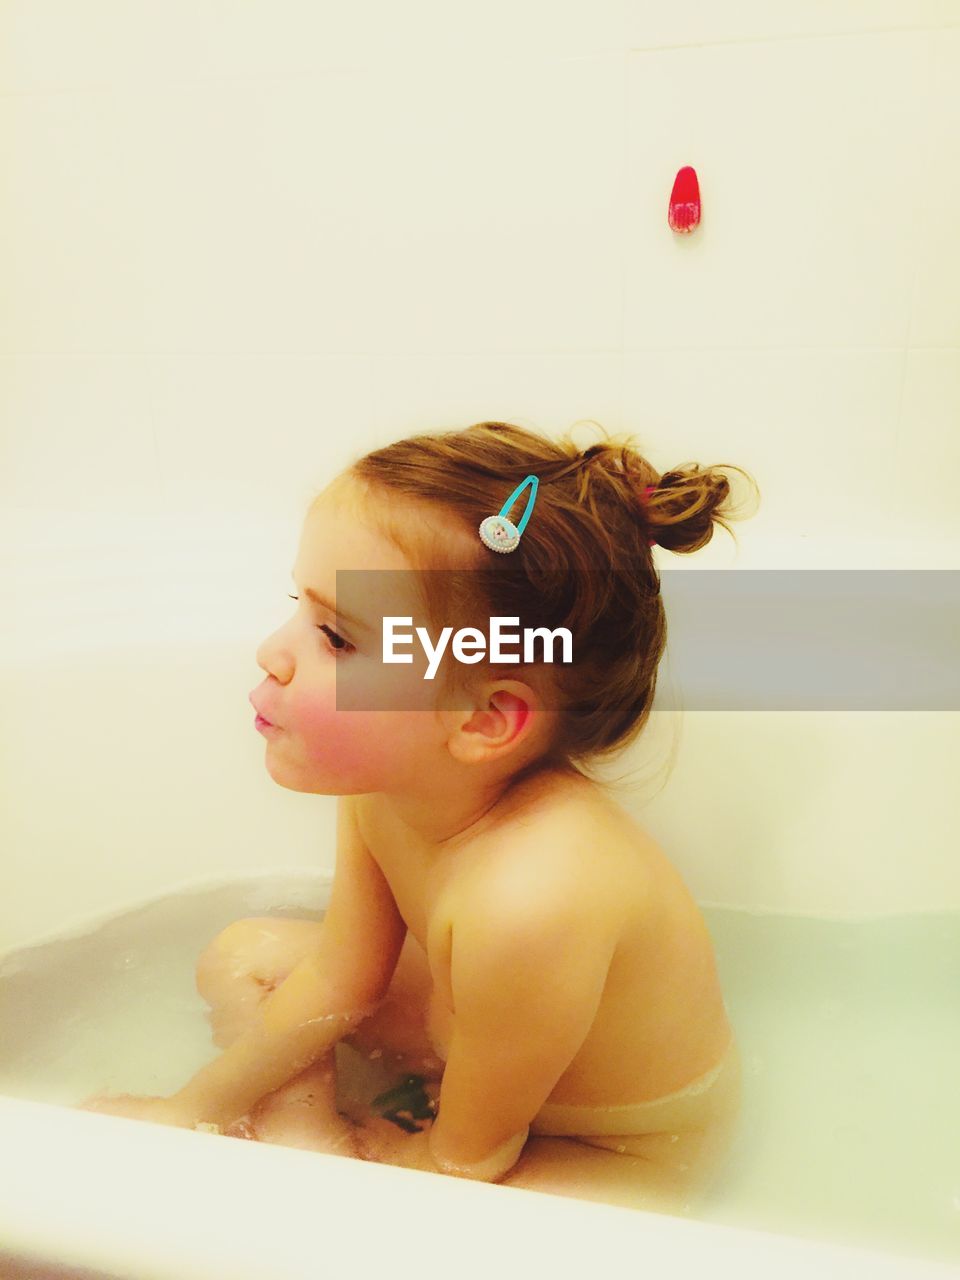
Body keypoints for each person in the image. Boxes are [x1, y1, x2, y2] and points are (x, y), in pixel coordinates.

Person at [81, 420, 758, 1214]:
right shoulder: (388, 789)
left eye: (335, 636)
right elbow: (341, 979)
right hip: (473, 1049)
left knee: (379, 1241)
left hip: (604, 1151)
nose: (273, 649)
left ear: (480, 720)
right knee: (243, 956)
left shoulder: (533, 899)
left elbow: (469, 1161)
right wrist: (190, 1110)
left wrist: (358, 1170)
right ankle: (307, 1130)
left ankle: (314, 1151)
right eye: (300, 606)